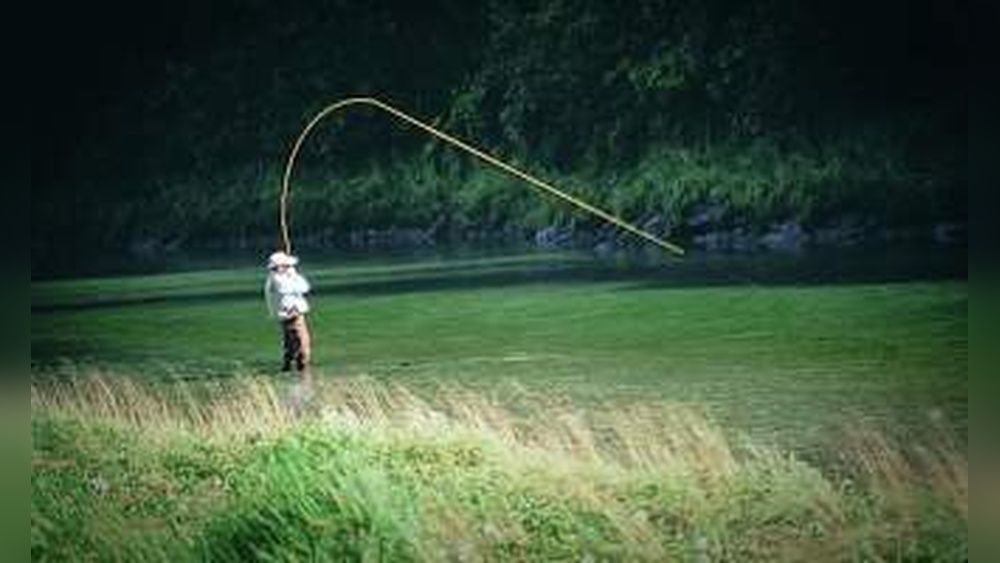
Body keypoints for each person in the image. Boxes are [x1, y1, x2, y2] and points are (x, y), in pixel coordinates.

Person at [264, 251, 313, 376]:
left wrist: (294, 275)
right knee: (302, 345)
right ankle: (303, 372)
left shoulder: (286, 276)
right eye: (284, 265)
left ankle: (289, 369)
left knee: (291, 344)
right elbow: (286, 289)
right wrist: (293, 275)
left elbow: (305, 287)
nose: (286, 267)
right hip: (290, 315)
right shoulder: (275, 279)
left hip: (295, 315)